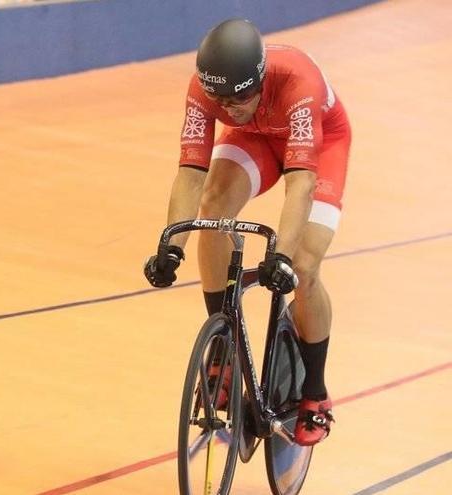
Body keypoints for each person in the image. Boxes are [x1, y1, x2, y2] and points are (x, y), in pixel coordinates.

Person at [144, 18, 349, 446]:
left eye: (240, 96)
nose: (229, 107)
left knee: (306, 265)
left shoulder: (298, 82)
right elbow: (190, 176)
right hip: (257, 137)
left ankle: (315, 390)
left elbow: (301, 185)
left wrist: (283, 257)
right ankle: (222, 346)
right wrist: (171, 246)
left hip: (320, 144)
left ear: (258, 79)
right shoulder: (206, 92)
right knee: (215, 205)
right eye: (220, 98)